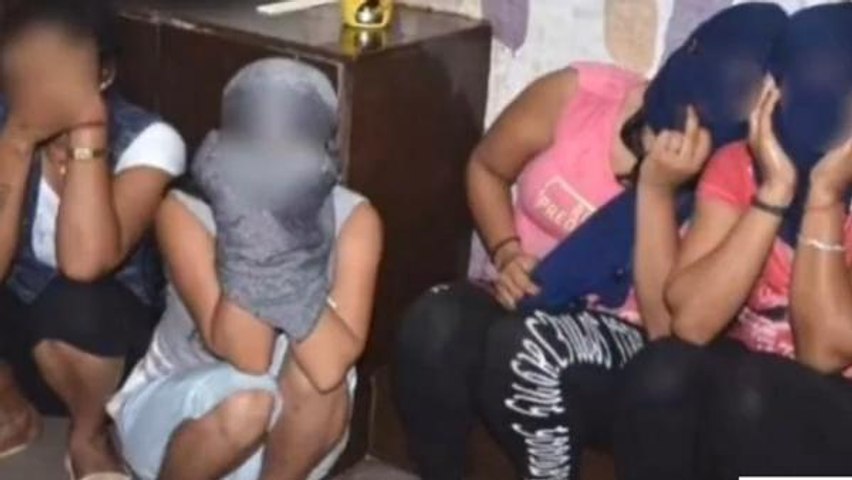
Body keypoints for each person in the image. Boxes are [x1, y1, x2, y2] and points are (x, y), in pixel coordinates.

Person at [394, 4, 786, 479]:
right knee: (434, 323)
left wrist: (656, 190)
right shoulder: (584, 94)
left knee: (525, 345)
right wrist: (507, 251)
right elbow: (487, 167)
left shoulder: (726, 179)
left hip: (625, 340)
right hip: (529, 293)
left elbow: (666, 332)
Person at [109, 58, 382, 480]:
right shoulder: (183, 210)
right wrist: (252, 230)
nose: (270, 163)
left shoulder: (355, 217)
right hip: (184, 420)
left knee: (323, 380)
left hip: (290, 439)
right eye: (253, 144)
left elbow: (329, 367)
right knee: (248, 402)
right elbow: (248, 356)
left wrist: (283, 241)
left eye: (290, 146)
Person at [614, 4, 852, 479]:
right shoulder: (742, 164)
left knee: (751, 391)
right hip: (748, 389)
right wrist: (775, 192)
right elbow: (689, 323)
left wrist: (824, 198)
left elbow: (823, 352)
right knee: (662, 370)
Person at [0, 0, 185, 477]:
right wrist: (17, 142)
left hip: (103, 348)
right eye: (28, 75)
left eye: (60, 74)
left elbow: (86, 263)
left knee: (76, 298)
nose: (44, 90)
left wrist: (88, 130)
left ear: (104, 74)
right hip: (21, 340)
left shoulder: (148, 139)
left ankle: (90, 435)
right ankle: (7, 401)